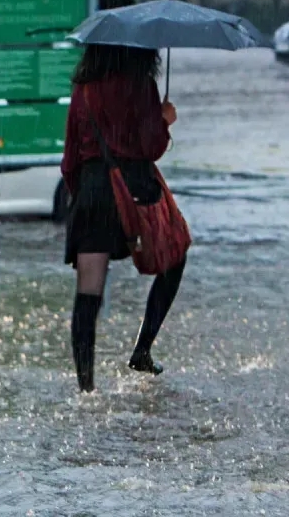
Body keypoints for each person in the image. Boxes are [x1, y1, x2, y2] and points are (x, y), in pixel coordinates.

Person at [61, 45, 185, 393]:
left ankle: (85, 387)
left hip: (90, 193)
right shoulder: (140, 84)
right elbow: (150, 146)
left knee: (88, 290)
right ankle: (142, 349)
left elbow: (69, 157)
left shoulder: (82, 89)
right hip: (133, 190)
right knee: (175, 257)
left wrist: (83, 196)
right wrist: (164, 120)